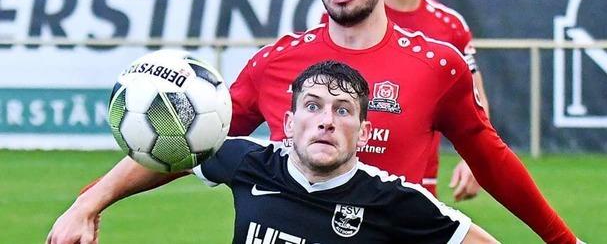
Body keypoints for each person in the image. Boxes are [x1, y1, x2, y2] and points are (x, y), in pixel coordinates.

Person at [47, 0, 582, 244]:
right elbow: (189, 140)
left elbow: (491, 158)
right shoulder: (276, 62)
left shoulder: (436, 62)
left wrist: (561, 240)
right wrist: (88, 202)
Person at [48, 61, 498, 244]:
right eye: (313, 107)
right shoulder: (248, 161)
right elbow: (174, 152)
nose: (326, 120)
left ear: (363, 132)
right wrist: (87, 205)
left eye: (344, 111)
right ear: (288, 122)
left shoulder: (396, 199)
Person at [384, 0, 489, 200]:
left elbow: (475, 97)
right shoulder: (349, 18)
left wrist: (475, 159)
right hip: (352, 172)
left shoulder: (450, 26)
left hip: (419, 181)